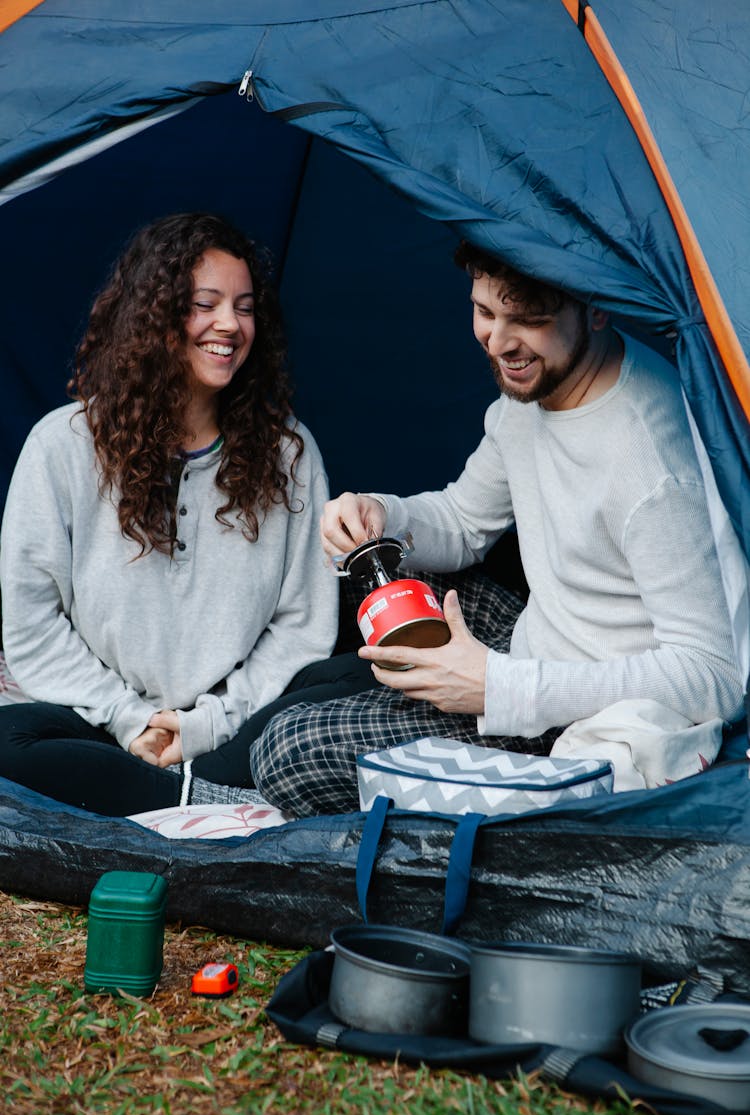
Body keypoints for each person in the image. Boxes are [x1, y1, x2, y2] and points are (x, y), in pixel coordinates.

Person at [246, 241, 745, 817]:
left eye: (529, 320)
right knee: (385, 572)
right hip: (541, 641)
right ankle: (370, 697)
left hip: (581, 717)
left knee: (286, 750)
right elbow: (462, 521)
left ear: (598, 307)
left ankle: (210, 776)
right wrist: (383, 514)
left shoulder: (649, 463)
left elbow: (716, 677)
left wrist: (501, 688)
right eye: (485, 312)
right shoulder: (537, 390)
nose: (501, 342)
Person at [0, 212, 371, 817]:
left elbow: (302, 628)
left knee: (361, 675)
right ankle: (190, 797)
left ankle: (160, 789)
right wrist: (132, 718)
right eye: (207, 303)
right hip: (101, 720)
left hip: (235, 730)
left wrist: (206, 725)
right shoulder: (63, 444)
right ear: (154, 314)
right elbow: (33, 623)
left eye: (245, 307)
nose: (230, 324)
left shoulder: (289, 452)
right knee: (6, 741)